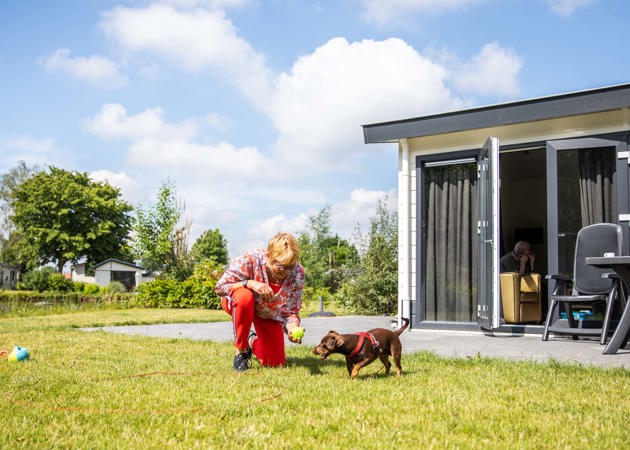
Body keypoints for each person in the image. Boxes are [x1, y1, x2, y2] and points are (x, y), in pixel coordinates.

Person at [215, 232, 305, 372]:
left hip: (267, 312)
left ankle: (251, 340)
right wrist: (249, 283)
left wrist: (292, 327)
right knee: (244, 297)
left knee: (275, 362)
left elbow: (291, 311)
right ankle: (241, 351)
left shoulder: (297, 273)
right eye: (281, 266)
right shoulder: (250, 259)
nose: (286, 272)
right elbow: (220, 288)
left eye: (290, 267)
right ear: (269, 257)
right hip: (239, 303)